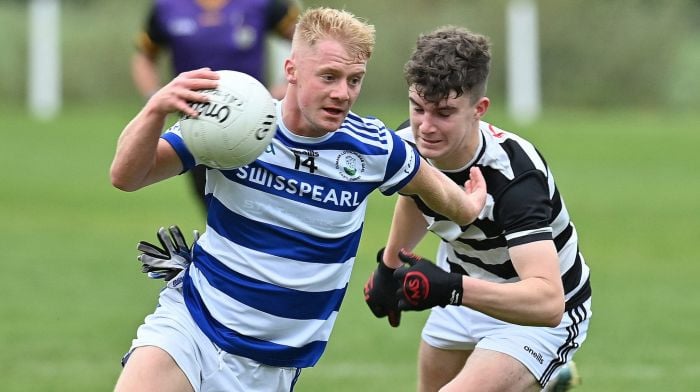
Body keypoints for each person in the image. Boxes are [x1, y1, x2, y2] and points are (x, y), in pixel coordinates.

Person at [110, 8, 488, 392]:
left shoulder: (373, 148)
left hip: (273, 368)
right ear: (291, 70)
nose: (343, 93)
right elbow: (127, 176)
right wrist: (156, 108)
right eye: (329, 77)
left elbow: (434, 188)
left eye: (354, 80)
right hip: (191, 329)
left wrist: (469, 206)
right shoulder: (233, 126)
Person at [363, 26, 592, 392]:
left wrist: (452, 288)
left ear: (478, 110)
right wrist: (389, 266)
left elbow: (548, 301)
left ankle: (540, 373)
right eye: (418, 108)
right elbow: (415, 196)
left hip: (539, 314)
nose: (426, 126)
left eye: (444, 113)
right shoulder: (409, 142)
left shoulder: (515, 179)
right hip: (463, 291)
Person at [131, 0, 301, 212]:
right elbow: (144, 56)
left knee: (264, 212)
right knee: (214, 210)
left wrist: (285, 87)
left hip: (255, 128)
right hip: (196, 129)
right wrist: (155, 98)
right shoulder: (166, 7)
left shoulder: (264, 4)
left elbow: (306, 42)